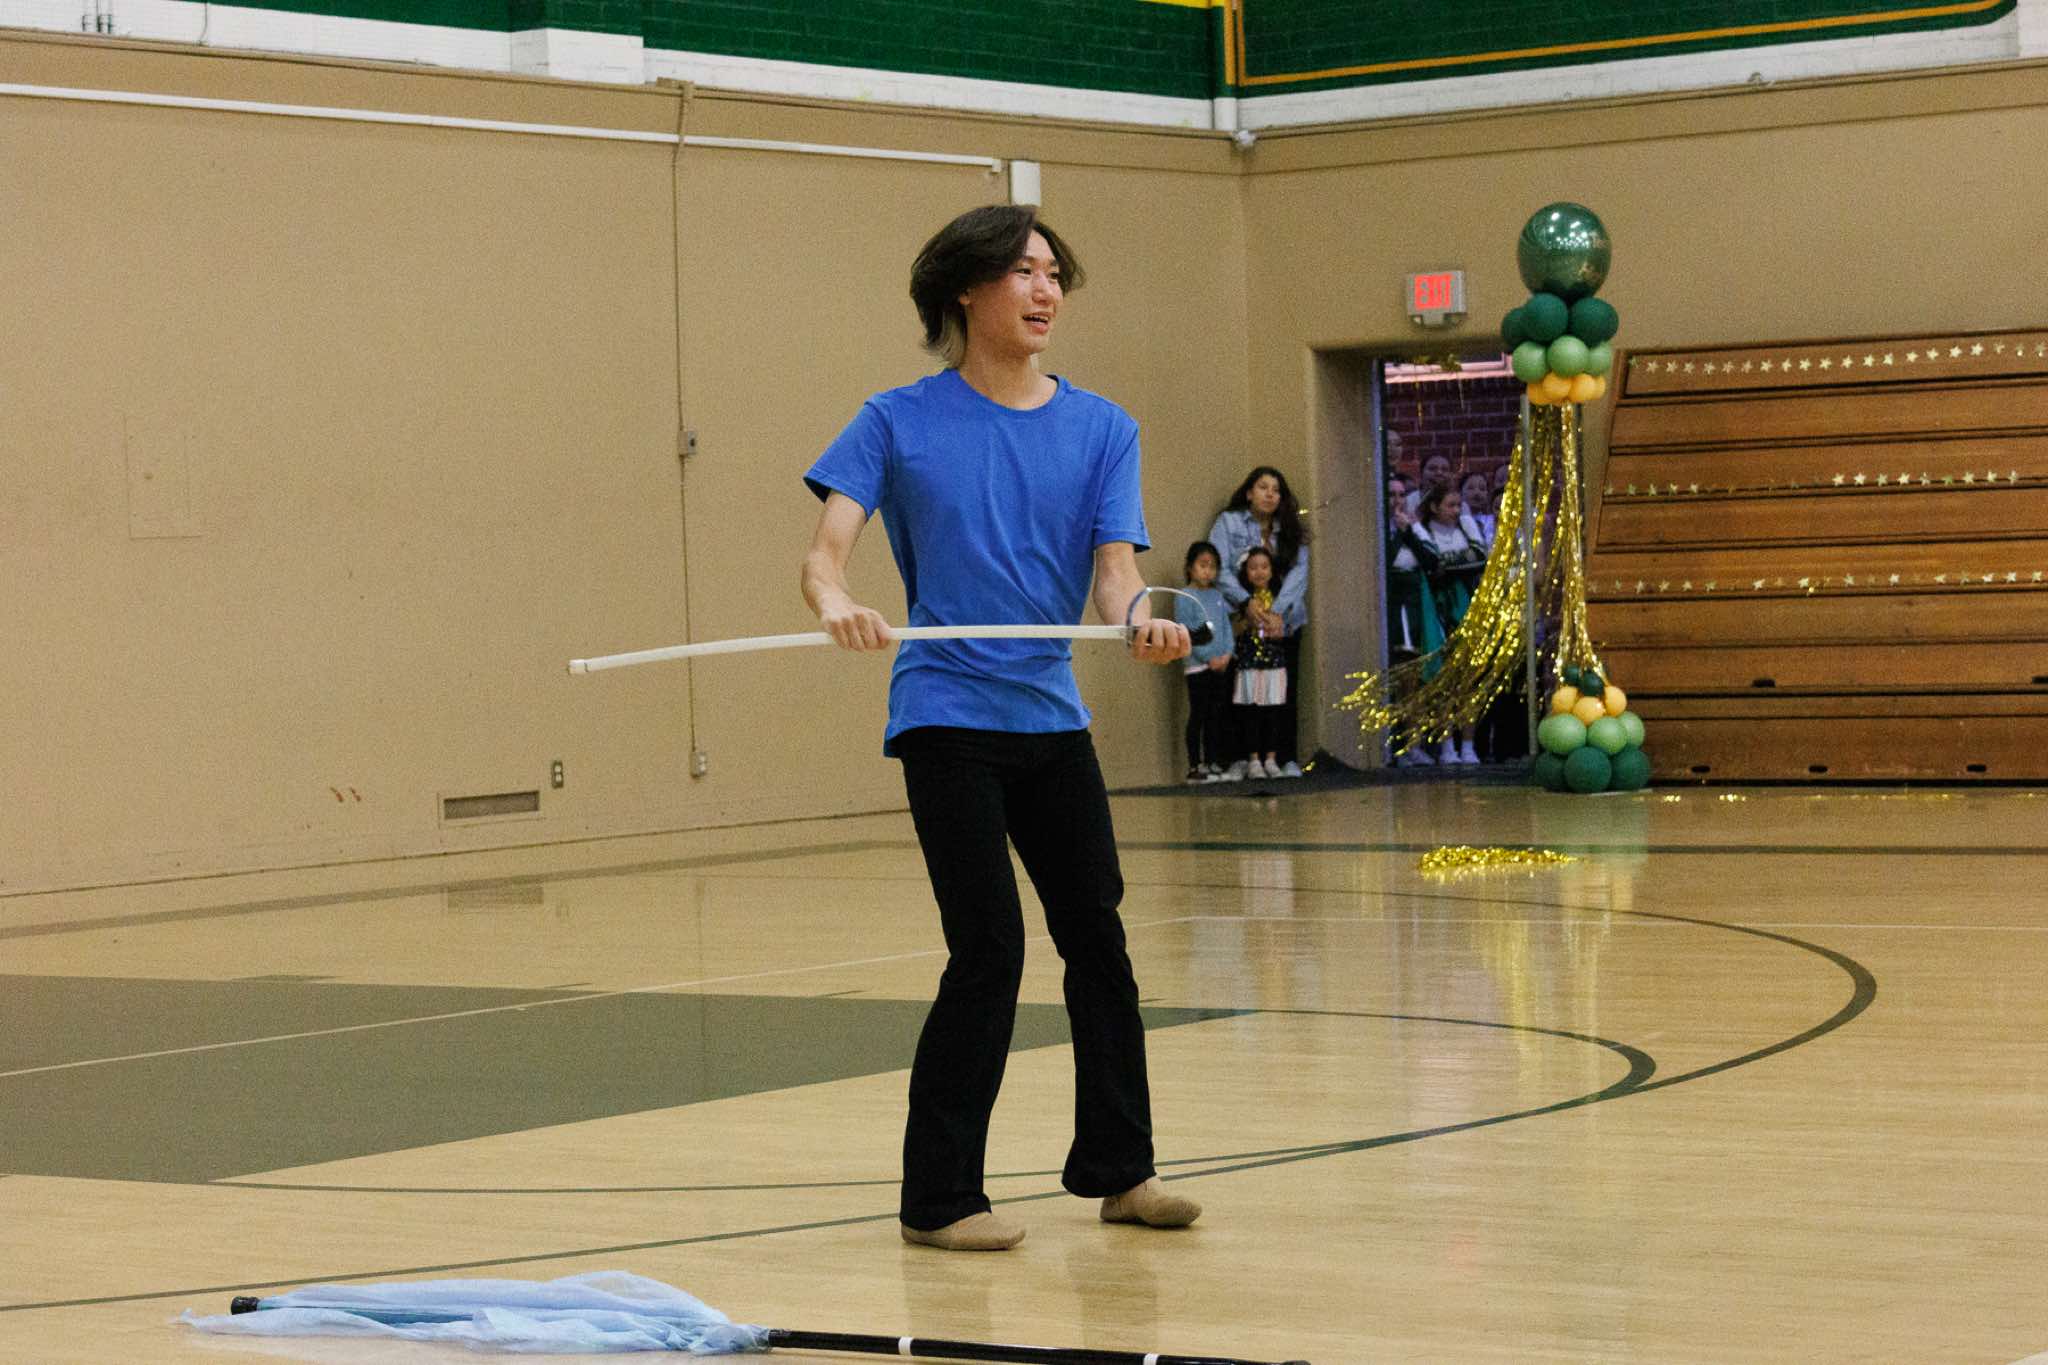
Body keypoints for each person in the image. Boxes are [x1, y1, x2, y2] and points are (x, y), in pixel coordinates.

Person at [799, 203, 1201, 1253]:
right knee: (988, 948)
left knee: (1097, 939)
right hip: (945, 716)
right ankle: (939, 1199)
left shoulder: (1103, 429)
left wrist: (1142, 622)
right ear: (965, 290)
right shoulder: (893, 420)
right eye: (1023, 271)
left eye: (1053, 273)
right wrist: (837, 602)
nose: (1045, 290)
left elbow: (1115, 577)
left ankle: (1121, 1171)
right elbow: (825, 554)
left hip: (1049, 717)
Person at [1208, 466, 1309, 778]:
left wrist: (1275, 611)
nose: (1270, 494)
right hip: (1241, 619)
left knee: (1284, 692)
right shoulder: (1229, 522)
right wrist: (1247, 602)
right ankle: (1240, 758)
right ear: (1249, 492)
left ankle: (1284, 757)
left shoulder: (1291, 530)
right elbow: (1220, 567)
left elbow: (1299, 573)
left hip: (1284, 621)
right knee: (1240, 692)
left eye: (1276, 490)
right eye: (1263, 487)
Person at [1416, 483, 1487, 765]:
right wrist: (1455, 562)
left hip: (1466, 610)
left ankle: (1468, 745)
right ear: (1434, 507)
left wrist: (1452, 563)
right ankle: (1447, 745)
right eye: (1451, 505)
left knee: (1468, 680)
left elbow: (1479, 558)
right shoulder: (1425, 532)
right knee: (1443, 681)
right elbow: (1434, 565)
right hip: (1439, 611)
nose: (1456, 511)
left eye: (1459, 505)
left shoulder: (1466, 530)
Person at [1175, 541, 1235, 783]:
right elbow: (1187, 632)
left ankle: (1212, 762)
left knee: (1215, 715)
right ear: (1190, 567)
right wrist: (1208, 658)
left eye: (1213, 566)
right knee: (1198, 714)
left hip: (1220, 665)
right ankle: (1195, 766)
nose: (1208, 571)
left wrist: (1227, 654)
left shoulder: (1217, 596)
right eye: (1203, 565)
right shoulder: (1184, 597)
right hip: (1198, 666)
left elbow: (1226, 628)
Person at [1230, 546, 1289, 778]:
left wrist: (1278, 628)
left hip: (1274, 662)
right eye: (1253, 567)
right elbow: (1234, 629)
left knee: (1273, 712)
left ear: (1272, 570)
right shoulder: (1243, 601)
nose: (1259, 572)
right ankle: (1253, 760)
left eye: (1264, 567)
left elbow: (1287, 628)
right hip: (1249, 662)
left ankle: (1271, 759)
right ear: (1245, 571)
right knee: (1252, 713)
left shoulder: (1280, 599)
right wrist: (1247, 621)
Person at [1460, 470, 1496, 546]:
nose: (1477, 493)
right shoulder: (1454, 520)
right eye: (1470, 488)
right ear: (1460, 492)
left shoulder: (1492, 521)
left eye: (1482, 489)